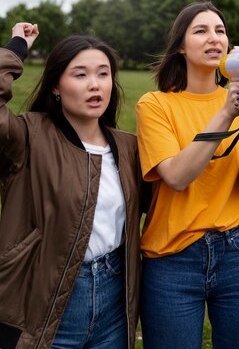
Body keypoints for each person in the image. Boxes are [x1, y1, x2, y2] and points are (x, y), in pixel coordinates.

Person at [136, 1, 239, 349]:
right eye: (201, 31)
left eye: (220, 31)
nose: (214, 38)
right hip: (174, 259)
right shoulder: (155, 105)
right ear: (181, 46)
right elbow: (178, 176)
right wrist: (226, 113)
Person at [0, 22, 143, 349]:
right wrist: (16, 48)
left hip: (114, 301)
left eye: (103, 74)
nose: (95, 85)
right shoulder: (27, 137)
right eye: (80, 75)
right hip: (45, 300)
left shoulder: (129, 147)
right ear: (56, 87)